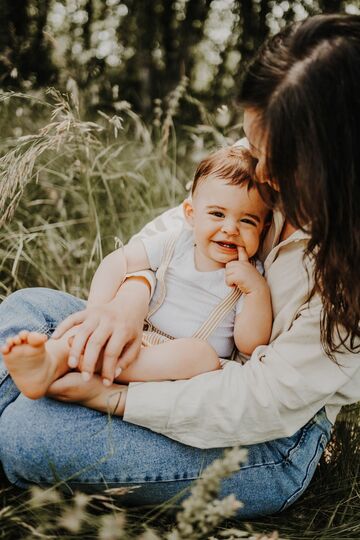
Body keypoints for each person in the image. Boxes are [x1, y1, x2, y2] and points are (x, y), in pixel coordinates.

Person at [0, 14, 359, 519]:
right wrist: (128, 299)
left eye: (273, 161)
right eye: (251, 147)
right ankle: (36, 388)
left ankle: (29, 407)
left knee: (27, 432)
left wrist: (110, 396)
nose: (257, 172)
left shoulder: (350, 270)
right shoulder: (260, 162)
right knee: (27, 307)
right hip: (159, 342)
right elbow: (172, 235)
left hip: (268, 437)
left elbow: (264, 399)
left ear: (334, 169)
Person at [1, 147, 272, 398]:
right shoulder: (175, 244)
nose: (231, 228)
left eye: (247, 220)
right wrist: (98, 312)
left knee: (201, 354)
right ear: (191, 214)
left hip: (184, 370)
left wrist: (256, 291)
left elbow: (249, 344)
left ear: (263, 228)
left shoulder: (249, 275)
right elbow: (117, 262)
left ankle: (96, 369)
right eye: (217, 214)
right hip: (137, 338)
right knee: (91, 335)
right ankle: (47, 362)